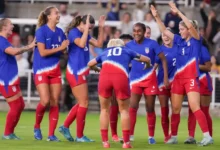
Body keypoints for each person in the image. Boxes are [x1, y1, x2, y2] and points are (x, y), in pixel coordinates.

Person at [151, 3, 213, 146]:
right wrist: (157, 18)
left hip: (191, 78)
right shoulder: (179, 41)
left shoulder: (196, 40)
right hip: (178, 79)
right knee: (176, 109)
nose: (180, 32)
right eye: (179, 29)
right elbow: (165, 32)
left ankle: (207, 136)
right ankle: (173, 136)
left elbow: (191, 26)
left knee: (194, 106)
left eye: (182, 29)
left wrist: (178, 12)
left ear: (189, 30)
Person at [88, 39, 151, 148]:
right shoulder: (126, 50)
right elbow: (146, 58)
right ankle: (126, 143)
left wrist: (97, 69)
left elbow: (90, 63)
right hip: (120, 77)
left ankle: (105, 142)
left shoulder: (105, 52)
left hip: (105, 78)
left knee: (104, 110)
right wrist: (148, 64)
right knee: (124, 111)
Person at [58, 15, 105, 142]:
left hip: (81, 71)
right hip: (75, 71)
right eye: (88, 27)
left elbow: (99, 44)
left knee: (81, 103)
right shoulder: (74, 33)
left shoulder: (84, 33)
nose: (89, 30)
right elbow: (81, 44)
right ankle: (79, 136)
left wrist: (101, 28)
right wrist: (85, 31)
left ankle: (65, 126)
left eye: (91, 28)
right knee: (84, 103)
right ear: (82, 24)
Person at [127, 22, 169, 144]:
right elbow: (125, 61)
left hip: (150, 80)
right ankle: (130, 134)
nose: (136, 33)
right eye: (134, 30)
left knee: (150, 108)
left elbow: (163, 59)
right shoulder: (129, 45)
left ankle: (151, 136)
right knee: (132, 107)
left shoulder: (152, 44)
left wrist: (165, 77)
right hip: (135, 80)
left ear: (144, 31)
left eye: (139, 31)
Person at [33, 6, 69, 141]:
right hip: (41, 69)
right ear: (49, 17)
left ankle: (51, 134)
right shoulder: (41, 31)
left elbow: (62, 52)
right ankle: (36, 126)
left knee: (55, 102)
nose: (58, 15)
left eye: (59, 13)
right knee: (45, 100)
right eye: (56, 13)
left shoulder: (60, 32)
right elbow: (42, 52)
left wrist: (65, 49)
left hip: (55, 70)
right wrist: (61, 47)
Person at [0, 18, 35, 139]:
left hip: (11, 78)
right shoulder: (1, 41)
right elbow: (13, 52)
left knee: (20, 105)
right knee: (15, 106)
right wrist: (28, 47)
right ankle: (7, 133)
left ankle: (10, 132)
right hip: (6, 80)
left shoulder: (5, 40)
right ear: (4, 27)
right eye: (10, 24)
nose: (12, 26)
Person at [185, 41, 213, 144]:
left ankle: (209, 136)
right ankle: (191, 136)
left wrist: (194, 65)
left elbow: (208, 67)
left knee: (204, 111)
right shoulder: (187, 50)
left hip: (203, 81)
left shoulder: (202, 49)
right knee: (192, 110)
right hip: (192, 81)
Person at [154, 28, 178, 143]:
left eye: (168, 35)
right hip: (162, 84)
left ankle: (173, 134)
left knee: (175, 109)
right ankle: (166, 135)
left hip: (176, 83)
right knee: (164, 110)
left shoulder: (179, 48)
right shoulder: (159, 50)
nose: (166, 37)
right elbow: (153, 67)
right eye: (163, 35)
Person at [109, 34, 133, 142]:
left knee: (127, 109)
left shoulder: (132, 53)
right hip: (119, 80)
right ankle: (114, 134)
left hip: (132, 80)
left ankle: (128, 134)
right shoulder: (116, 53)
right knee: (115, 106)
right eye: (124, 42)